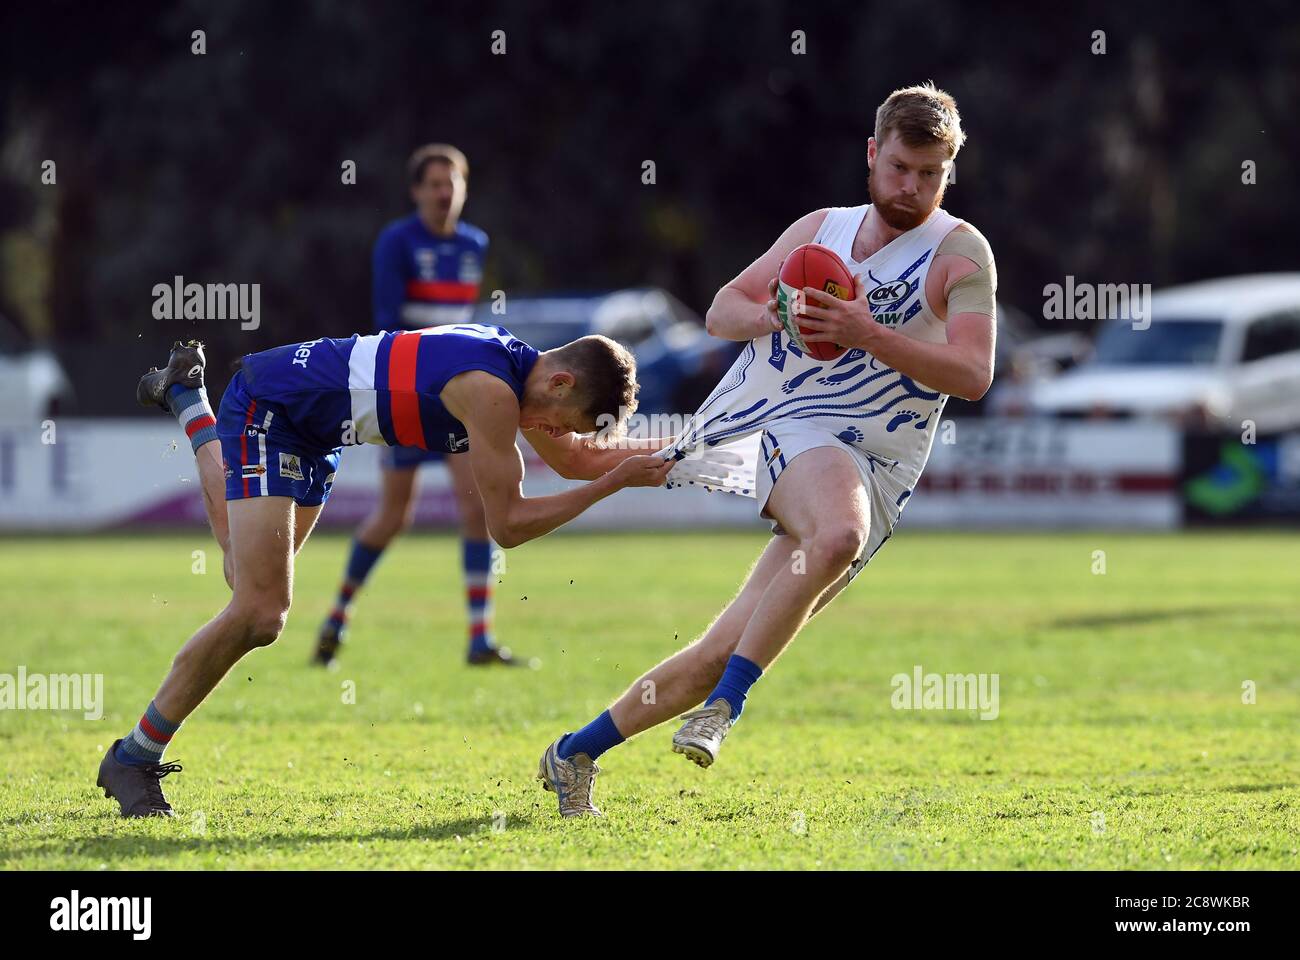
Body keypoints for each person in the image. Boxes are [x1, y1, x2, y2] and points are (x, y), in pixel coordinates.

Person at [537, 83, 998, 817]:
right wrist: (779, 311)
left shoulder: (960, 254)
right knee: (835, 533)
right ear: (873, 155)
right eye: (902, 167)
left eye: (932, 174)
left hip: (880, 470)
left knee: (725, 645)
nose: (913, 188)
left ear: (950, 171)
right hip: (789, 424)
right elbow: (723, 311)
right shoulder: (821, 231)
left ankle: (575, 752)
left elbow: (974, 375)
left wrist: (867, 333)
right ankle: (725, 712)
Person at [98, 323, 673, 817]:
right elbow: (509, 526)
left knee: (242, 579)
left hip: (314, 428)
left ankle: (190, 404)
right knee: (260, 611)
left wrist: (686, 447)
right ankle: (133, 758)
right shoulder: (492, 392)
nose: (555, 436)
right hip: (272, 406)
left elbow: (574, 459)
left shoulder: (519, 372)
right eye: (562, 422)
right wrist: (612, 484)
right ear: (561, 383)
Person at [316, 144, 514, 668]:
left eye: (453, 183)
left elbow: (464, 321)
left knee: (476, 510)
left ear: (465, 189)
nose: (444, 193)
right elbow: (386, 324)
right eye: (433, 184)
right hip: (407, 394)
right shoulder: (397, 241)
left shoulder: (475, 244)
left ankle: (479, 639)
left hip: (455, 397)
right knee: (392, 516)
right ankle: (335, 620)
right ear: (417, 192)